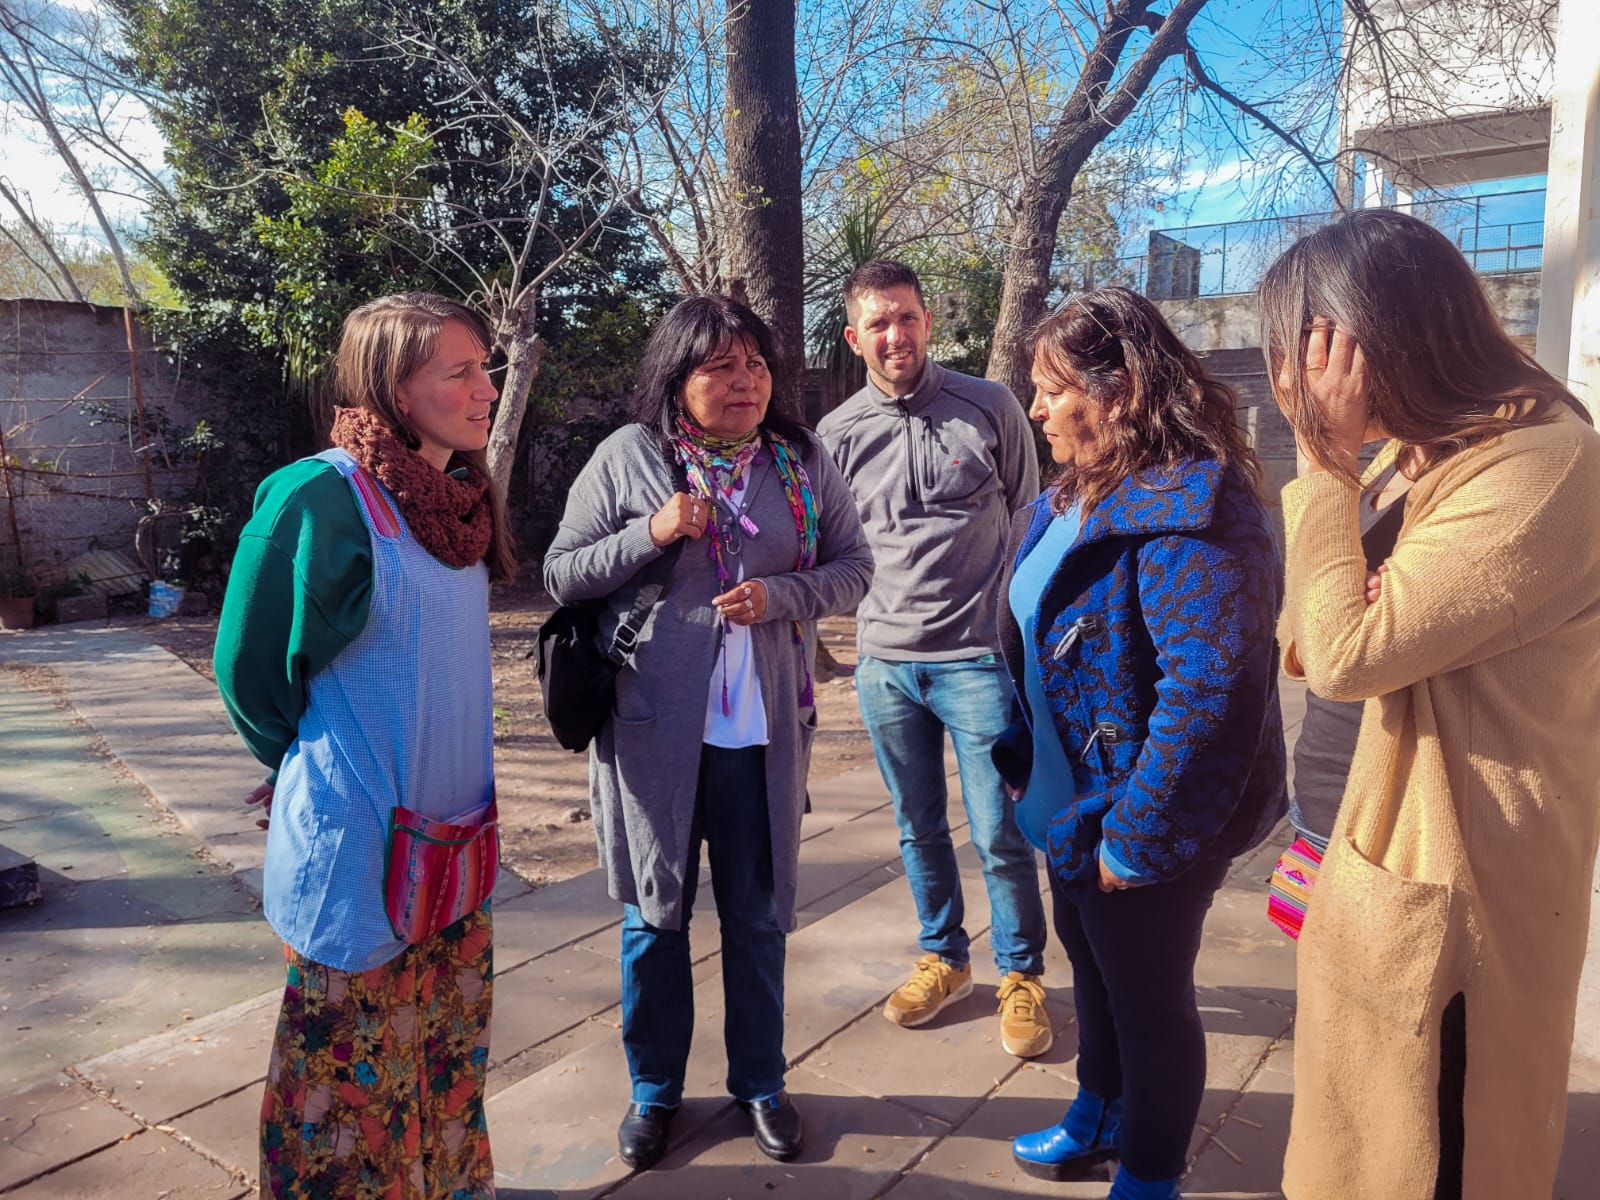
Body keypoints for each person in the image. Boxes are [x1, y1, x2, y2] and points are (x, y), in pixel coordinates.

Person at [1266, 208, 1600, 1200]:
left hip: (1455, 884)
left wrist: (1319, 475)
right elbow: (1303, 631)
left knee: (1433, 1148)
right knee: (1367, 1133)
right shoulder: (1414, 450)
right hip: (1361, 840)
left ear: (1372, 342)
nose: (1292, 386)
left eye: (1307, 353)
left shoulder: (1538, 462)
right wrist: (1347, 582)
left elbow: (1343, 649)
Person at [543, 294, 872, 1171]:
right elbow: (561, 572)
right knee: (655, 919)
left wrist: (784, 597)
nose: (745, 382)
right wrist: (649, 533)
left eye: (756, 365)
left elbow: (854, 567)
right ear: (676, 377)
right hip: (652, 736)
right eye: (721, 366)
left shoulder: (799, 462)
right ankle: (654, 1090)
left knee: (758, 919)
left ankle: (760, 1081)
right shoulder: (629, 459)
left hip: (762, 736)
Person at [214, 292, 515, 1199]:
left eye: (485, 366)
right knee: (343, 1101)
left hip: (456, 848)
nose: (488, 388)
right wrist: (303, 758)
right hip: (361, 861)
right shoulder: (322, 500)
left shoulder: (461, 501)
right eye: (460, 371)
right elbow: (250, 669)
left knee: (443, 1065)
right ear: (392, 384)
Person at [996, 288, 1286, 1200]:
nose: (1035, 410)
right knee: (1090, 963)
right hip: (1065, 801)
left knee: (1152, 1001)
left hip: (1139, 815)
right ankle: (1097, 1113)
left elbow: (1212, 690)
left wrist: (1137, 835)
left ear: (1117, 392)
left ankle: (1151, 1175)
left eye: (1050, 390)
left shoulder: (1195, 504)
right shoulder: (1072, 491)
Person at [817, 259, 1050, 1059]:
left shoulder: (988, 407)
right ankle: (944, 958)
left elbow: (1027, 512)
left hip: (978, 660)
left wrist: (1018, 636)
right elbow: (831, 545)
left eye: (907, 317)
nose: (896, 335)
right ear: (855, 338)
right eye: (878, 323)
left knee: (1001, 831)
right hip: (884, 665)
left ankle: (1021, 973)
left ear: (927, 321)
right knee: (918, 829)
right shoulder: (838, 435)